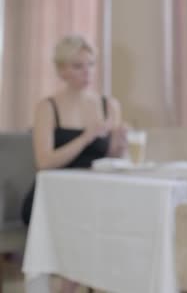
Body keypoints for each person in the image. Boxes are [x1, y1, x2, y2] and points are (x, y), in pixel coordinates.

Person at [22, 34, 127, 293]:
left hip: (94, 195)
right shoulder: (47, 107)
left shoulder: (109, 105)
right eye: (78, 66)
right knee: (86, 225)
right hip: (51, 198)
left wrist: (120, 145)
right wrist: (86, 136)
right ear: (61, 70)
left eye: (90, 64)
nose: (87, 72)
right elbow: (44, 162)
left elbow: (110, 160)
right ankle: (70, 285)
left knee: (120, 217)